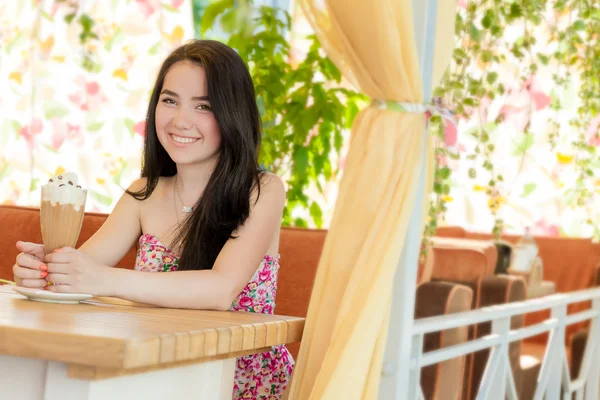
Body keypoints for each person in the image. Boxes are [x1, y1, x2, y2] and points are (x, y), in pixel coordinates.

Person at [12, 39, 293, 399]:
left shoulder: (263, 190)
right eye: (170, 100)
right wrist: (46, 271)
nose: (180, 120)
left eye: (203, 106)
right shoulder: (142, 193)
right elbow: (81, 273)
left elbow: (220, 291)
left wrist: (100, 278)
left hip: (237, 380)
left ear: (232, 114)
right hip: (153, 372)